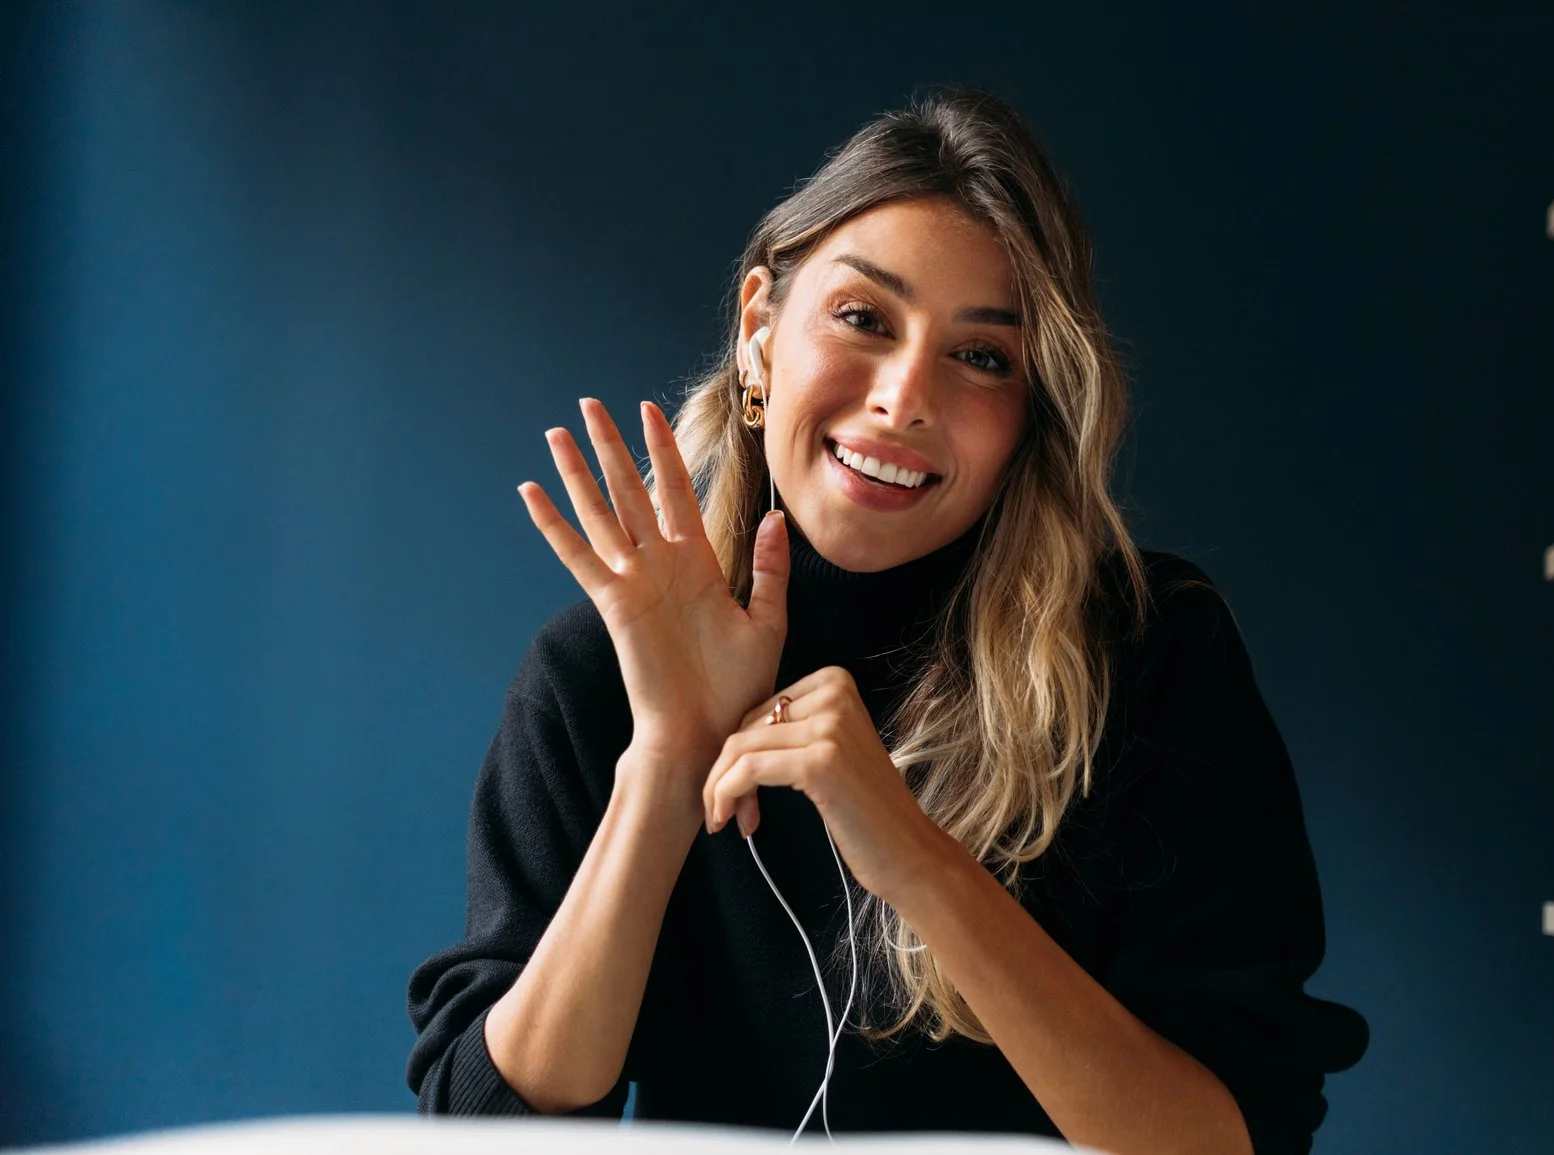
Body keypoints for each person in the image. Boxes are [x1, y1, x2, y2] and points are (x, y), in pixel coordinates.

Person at [406, 86, 1369, 1154]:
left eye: (981, 356)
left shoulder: (1151, 654)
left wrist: (914, 860)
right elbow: (485, 1124)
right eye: (863, 319)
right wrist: (666, 764)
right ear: (759, 329)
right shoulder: (601, 673)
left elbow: (1230, 1137)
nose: (904, 399)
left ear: (1030, 413)